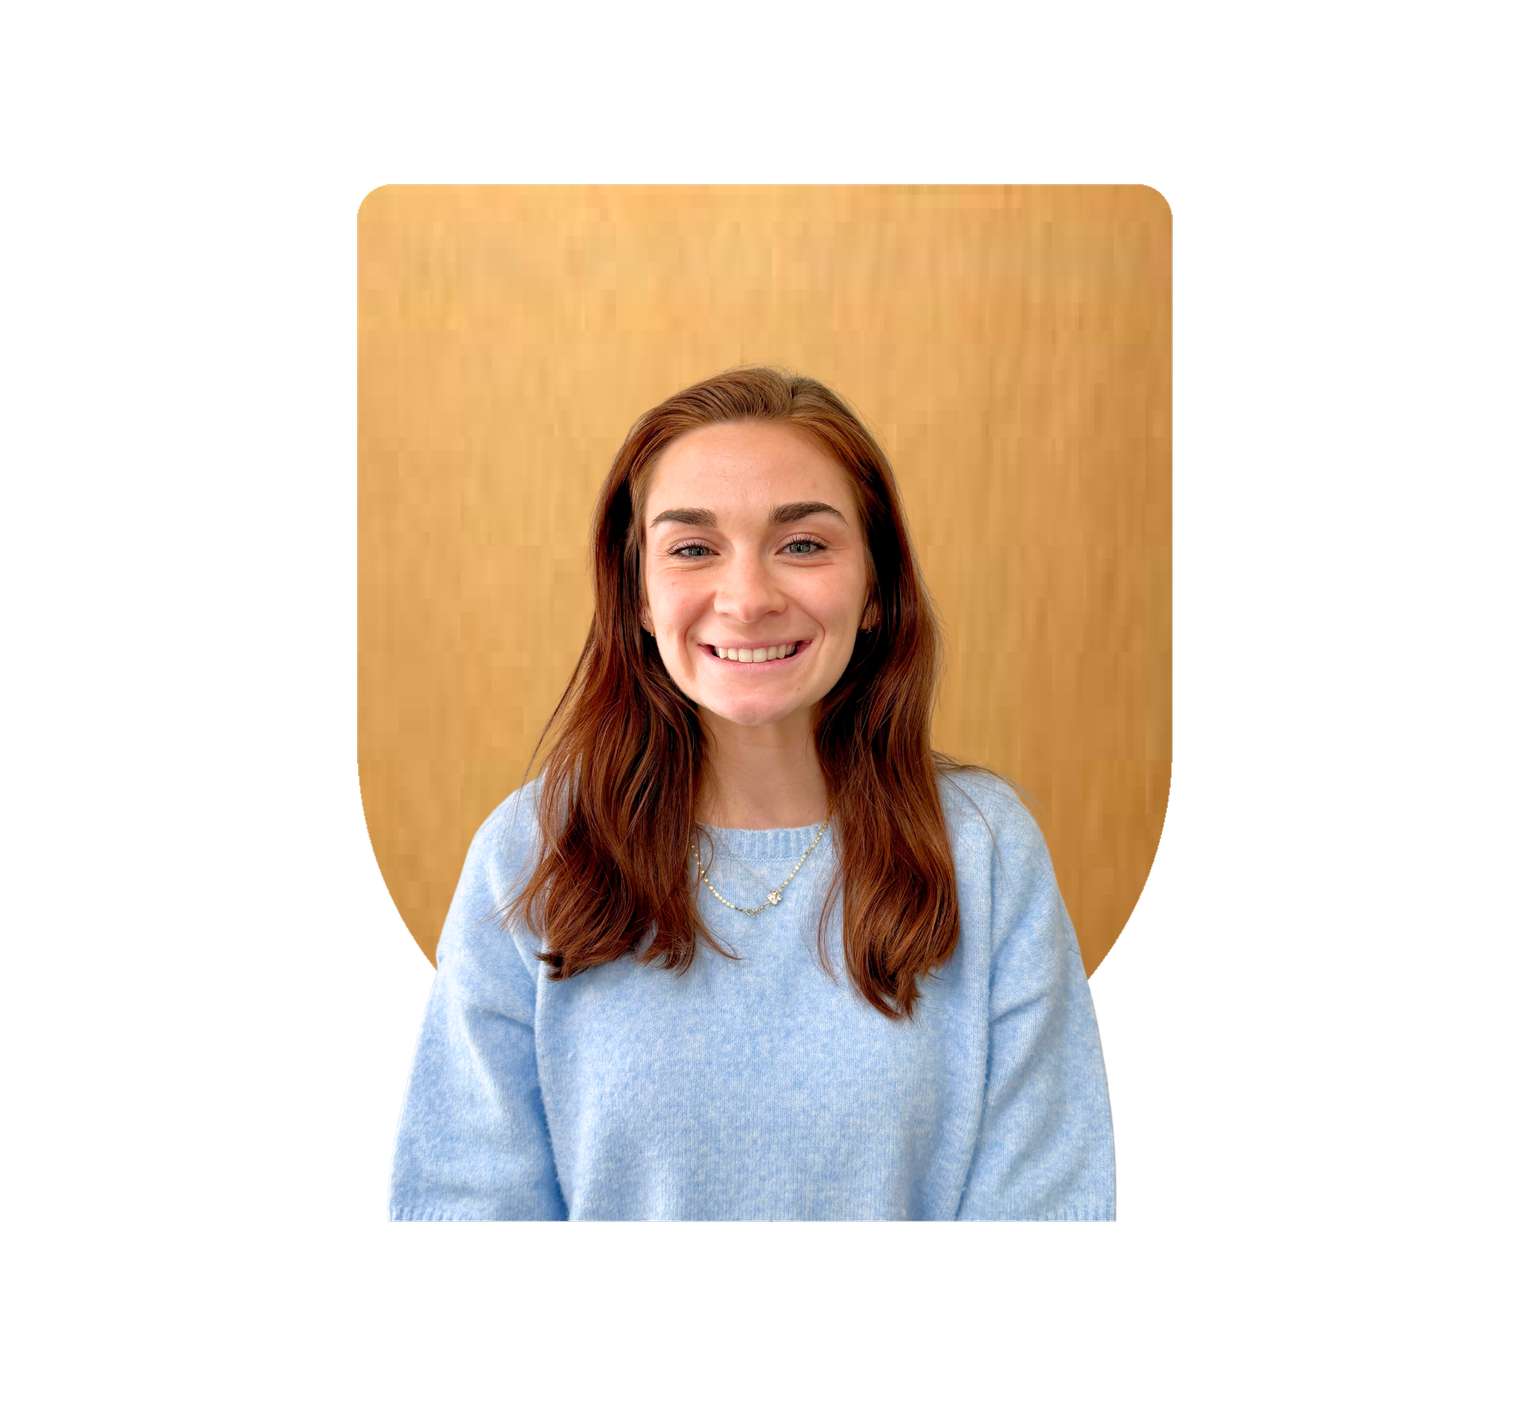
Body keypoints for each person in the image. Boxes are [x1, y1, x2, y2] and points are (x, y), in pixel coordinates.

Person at [386, 366, 1116, 1222]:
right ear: (639, 598)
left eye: (802, 544)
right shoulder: (531, 850)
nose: (747, 600)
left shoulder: (985, 849)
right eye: (693, 548)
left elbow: (1048, 1200)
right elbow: (462, 1200)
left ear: (876, 590)